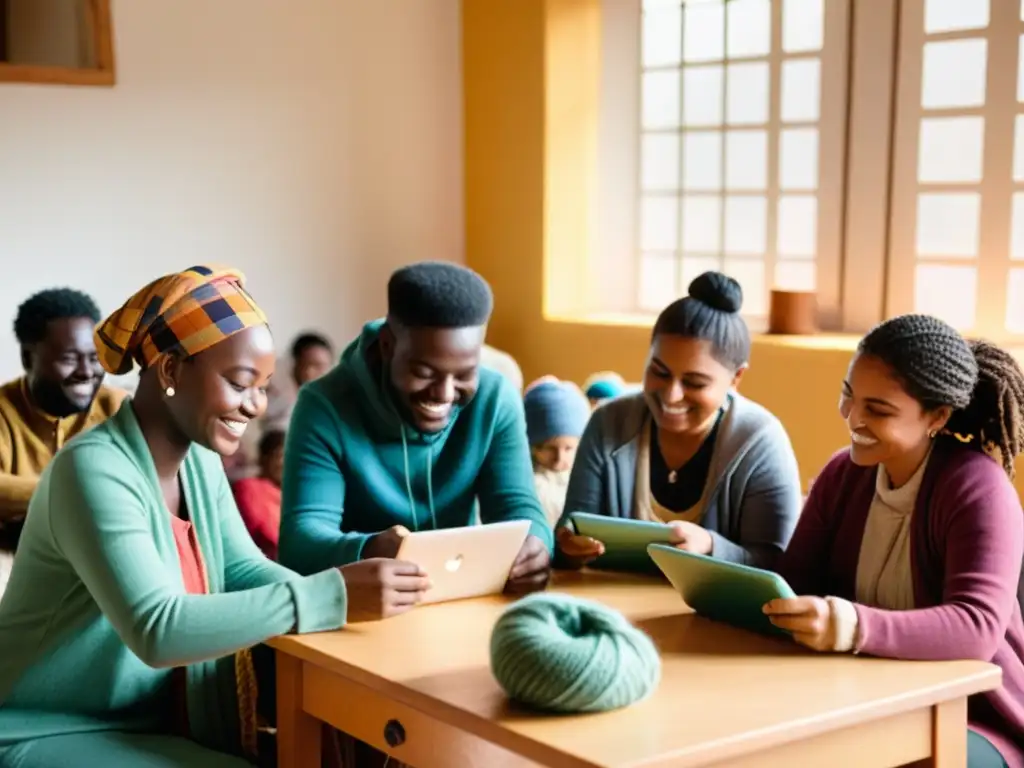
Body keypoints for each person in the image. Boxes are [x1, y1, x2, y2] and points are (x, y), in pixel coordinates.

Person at [0, 266, 429, 767]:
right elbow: (158, 629)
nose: (255, 405)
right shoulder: (91, 470)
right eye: (240, 382)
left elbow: (240, 569)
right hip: (42, 727)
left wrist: (352, 607)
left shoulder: (198, 460)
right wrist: (329, 594)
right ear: (170, 372)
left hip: (147, 723)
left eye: (264, 386)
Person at [764, 315, 1024, 768]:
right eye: (848, 395)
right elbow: (793, 583)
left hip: (968, 716)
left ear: (937, 417)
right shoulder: (840, 477)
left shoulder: (978, 488)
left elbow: (977, 628)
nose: (852, 418)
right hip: (861, 700)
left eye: (878, 409)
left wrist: (848, 625)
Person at [280, 261, 553, 592]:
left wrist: (535, 544)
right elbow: (300, 543)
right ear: (387, 346)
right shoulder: (323, 405)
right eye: (425, 372)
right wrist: (370, 549)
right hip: (364, 609)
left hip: (462, 598)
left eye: (464, 374)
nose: (445, 393)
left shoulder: (495, 398)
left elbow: (518, 507)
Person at [555, 272, 801, 570]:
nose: (671, 396)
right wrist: (568, 546)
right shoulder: (608, 423)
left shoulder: (760, 441)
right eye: (658, 372)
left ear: (736, 378)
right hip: (614, 606)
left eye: (694, 383)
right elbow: (573, 530)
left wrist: (711, 547)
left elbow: (780, 564)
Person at [0, 288, 126, 592]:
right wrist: (79, 492)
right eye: (70, 359)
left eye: (94, 358)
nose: (86, 372)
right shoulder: (4, 410)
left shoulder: (119, 408)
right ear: (28, 358)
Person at [226, 332, 334, 481]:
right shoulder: (266, 397)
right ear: (294, 363)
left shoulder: (329, 409)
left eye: (320, 366)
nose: (311, 373)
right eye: (307, 365)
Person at [523, 378, 591, 525]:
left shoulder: (587, 478)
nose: (559, 458)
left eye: (569, 448)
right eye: (550, 448)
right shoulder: (524, 481)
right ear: (532, 446)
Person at [232, 429, 285, 560]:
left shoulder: (293, 497)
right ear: (263, 458)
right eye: (280, 455)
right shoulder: (249, 488)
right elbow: (268, 537)